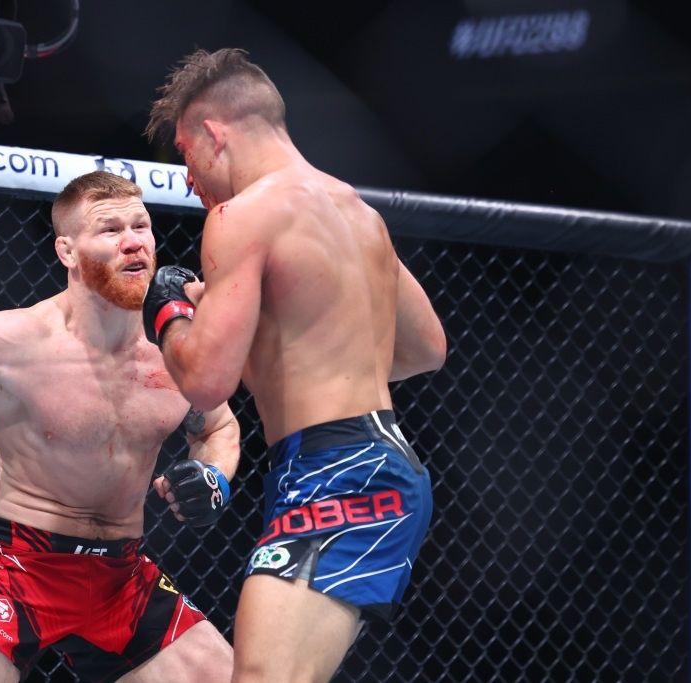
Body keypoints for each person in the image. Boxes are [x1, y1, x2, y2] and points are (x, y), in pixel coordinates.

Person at [0, 171, 238, 683]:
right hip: (20, 569)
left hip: (124, 578)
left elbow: (218, 428)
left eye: (141, 226)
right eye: (109, 230)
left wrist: (214, 479)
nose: (132, 242)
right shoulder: (12, 339)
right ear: (67, 252)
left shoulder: (175, 350)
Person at [143, 49, 447, 682]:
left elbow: (203, 379)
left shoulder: (242, 216)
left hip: (338, 472)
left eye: (185, 153)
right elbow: (425, 350)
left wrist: (167, 307)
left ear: (213, 134)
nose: (188, 178)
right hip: (375, 461)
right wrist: (310, 351)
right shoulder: (359, 213)